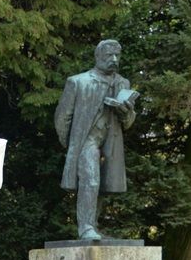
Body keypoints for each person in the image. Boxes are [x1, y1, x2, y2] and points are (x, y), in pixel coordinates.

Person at [55, 39, 137, 241]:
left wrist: (125, 112)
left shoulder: (123, 84)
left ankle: (94, 226)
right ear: (98, 57)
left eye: (117, 55)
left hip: (111, 142)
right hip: (86, 140)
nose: (114, 59)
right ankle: (86, 227)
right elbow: (62, 117)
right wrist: (72, 146)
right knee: (91, 180)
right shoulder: (78, 82)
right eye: (109, 55)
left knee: (104, 185)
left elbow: (128, 123)